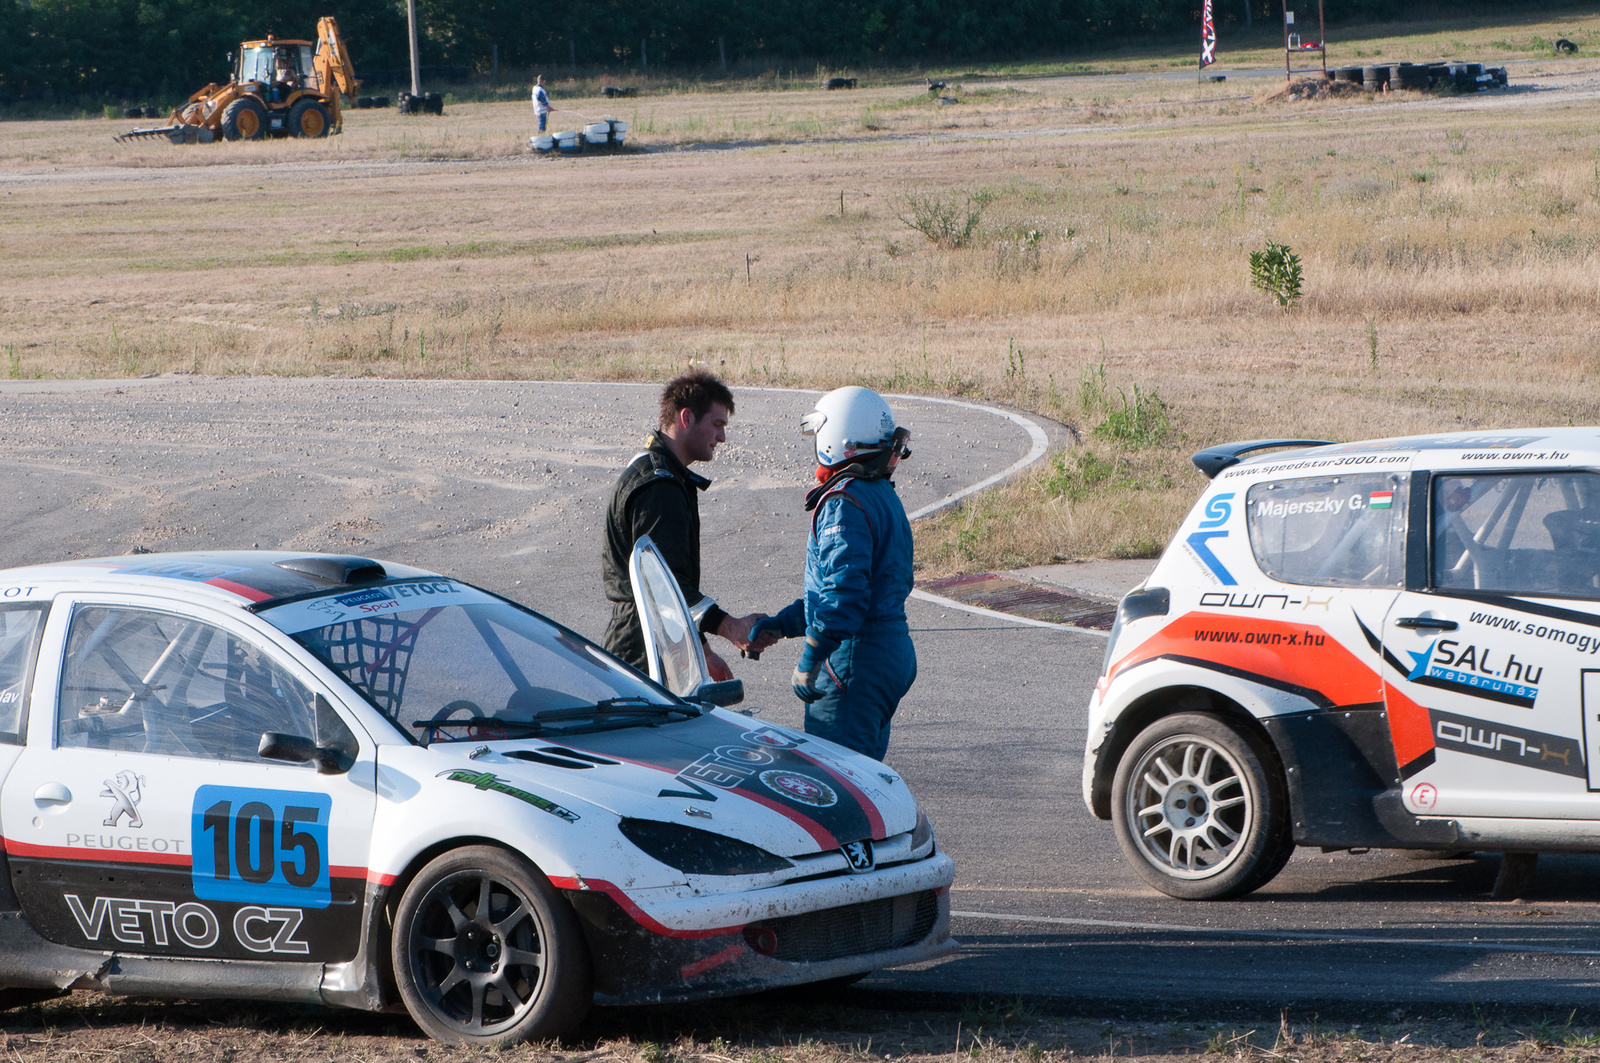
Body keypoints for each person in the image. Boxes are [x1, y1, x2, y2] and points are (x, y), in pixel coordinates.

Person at [750, 386, 916, 761]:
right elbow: (847, 591)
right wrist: (784, 624)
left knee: (838, 784)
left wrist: (810, 658)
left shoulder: (844, 502)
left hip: (853, 661)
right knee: (867, 777)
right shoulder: (882, 494)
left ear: (837, 438)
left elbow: (844, 597)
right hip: (888, 653)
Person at [602, 370, 765, 681]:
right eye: (717, 425)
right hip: (643, 652)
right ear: (687, 417)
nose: (722, 437)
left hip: (655, 640)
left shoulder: (658, 473)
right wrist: (729, 627)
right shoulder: (660, 488)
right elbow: (664, 585)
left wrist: (701, 650)